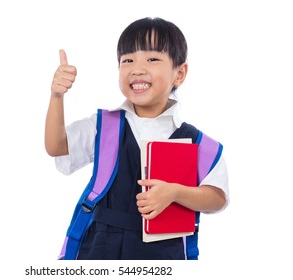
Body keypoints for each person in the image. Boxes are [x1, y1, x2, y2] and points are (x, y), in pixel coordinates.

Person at [45, 17, 229, 260]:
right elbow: (56, 147)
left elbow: (217, 198)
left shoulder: (200, 143)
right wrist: (57, 96)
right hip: (100, 249)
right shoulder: (104, 126)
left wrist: (175, 193)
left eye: (152, 59)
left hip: (165, 253)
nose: (137, 68)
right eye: (127, 60)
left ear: (180, 73)